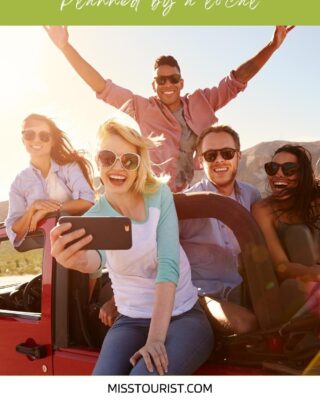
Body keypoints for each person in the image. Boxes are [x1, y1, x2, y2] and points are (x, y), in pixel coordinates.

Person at [50, 118, 213, 375]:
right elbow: (94, 260)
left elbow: (168, 267)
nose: (118, 167)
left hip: (183, 316)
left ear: (139, 166)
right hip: (130, 321)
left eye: (129, 160)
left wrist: (155, 340)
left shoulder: (159, 196)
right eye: (107, 158)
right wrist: (73, 260)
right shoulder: (96, 216)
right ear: (98, 161)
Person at [44, 26, 293, 192]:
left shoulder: (202, 102)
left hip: (198, 192)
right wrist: (65, 47)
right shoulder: (142, 108)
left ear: (181, 82)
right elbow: (101, 86)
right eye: (161, 80)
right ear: (154, 85)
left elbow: (238, 79)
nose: (167, 84)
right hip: (156, 197)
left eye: (173, 79)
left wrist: (273, 44)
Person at [179, 125, 261, 334]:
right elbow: (156, 249)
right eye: (210, 155)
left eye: (227, 153)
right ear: (200, 161)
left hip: (241, 289)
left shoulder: (252, 195)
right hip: (200, 294)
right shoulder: (187, 203)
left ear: (238, 156)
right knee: (246, 325)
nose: (219, 160)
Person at [5, 113, 95, 247]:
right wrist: (33, 209)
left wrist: (48, 210)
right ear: (23, 139)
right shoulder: (18, 184)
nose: (36, 140)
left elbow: (87, 201)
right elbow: (14, 230)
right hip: (48, 255)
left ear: (52, 141)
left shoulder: (69, 168)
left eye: (44, 136)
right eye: (29, 135)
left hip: (80, 244)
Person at [252, 144, 320, 285]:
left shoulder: (316, 199)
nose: (279, 174)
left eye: (289, 169)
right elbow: (281, 267)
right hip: (296, 287)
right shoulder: (263, 210)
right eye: (273, 168)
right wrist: (314, 274)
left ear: (302, 174)